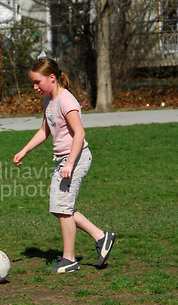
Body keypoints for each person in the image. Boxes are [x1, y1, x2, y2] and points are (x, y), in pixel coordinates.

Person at [13, 57, 116, 273]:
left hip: (75, 159)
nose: (35, 87)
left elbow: (80, 133)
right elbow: (44, 131)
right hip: (63, 160)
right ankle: (101, 236)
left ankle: (70, 259)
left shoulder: (67, 101)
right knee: (59, 208)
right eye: (33, 83)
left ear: (52, 78)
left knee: (63, 208)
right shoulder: (49, 101)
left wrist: (69, 163)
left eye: (37, 82)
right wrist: (24, 150)